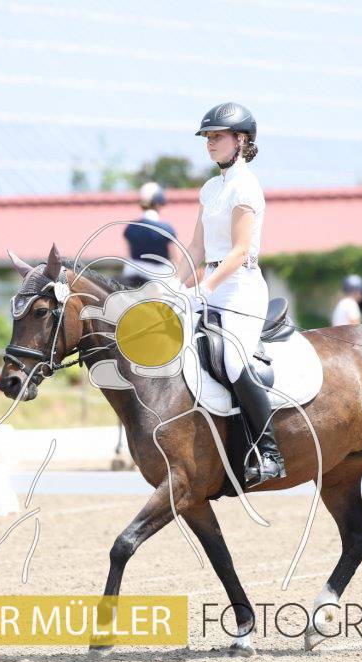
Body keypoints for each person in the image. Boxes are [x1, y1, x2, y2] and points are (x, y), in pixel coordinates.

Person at [180, 101, 284, 487]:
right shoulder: (210, 188)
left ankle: (270, 452)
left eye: (217, 136)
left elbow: (239, 250)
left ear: (241, 140)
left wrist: (205, 287)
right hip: (210, 285)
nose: (209, 143)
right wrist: (172, 286)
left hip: (241, 290)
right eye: (207, 137)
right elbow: (196, 247)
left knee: (234, 362)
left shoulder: (246, 186)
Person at [122, 182, 181, 285]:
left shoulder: (130, 228)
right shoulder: (166, 229)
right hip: (160, 278)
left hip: (132, 274)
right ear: (158, 203)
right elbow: (176, 259)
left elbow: (128, 255)